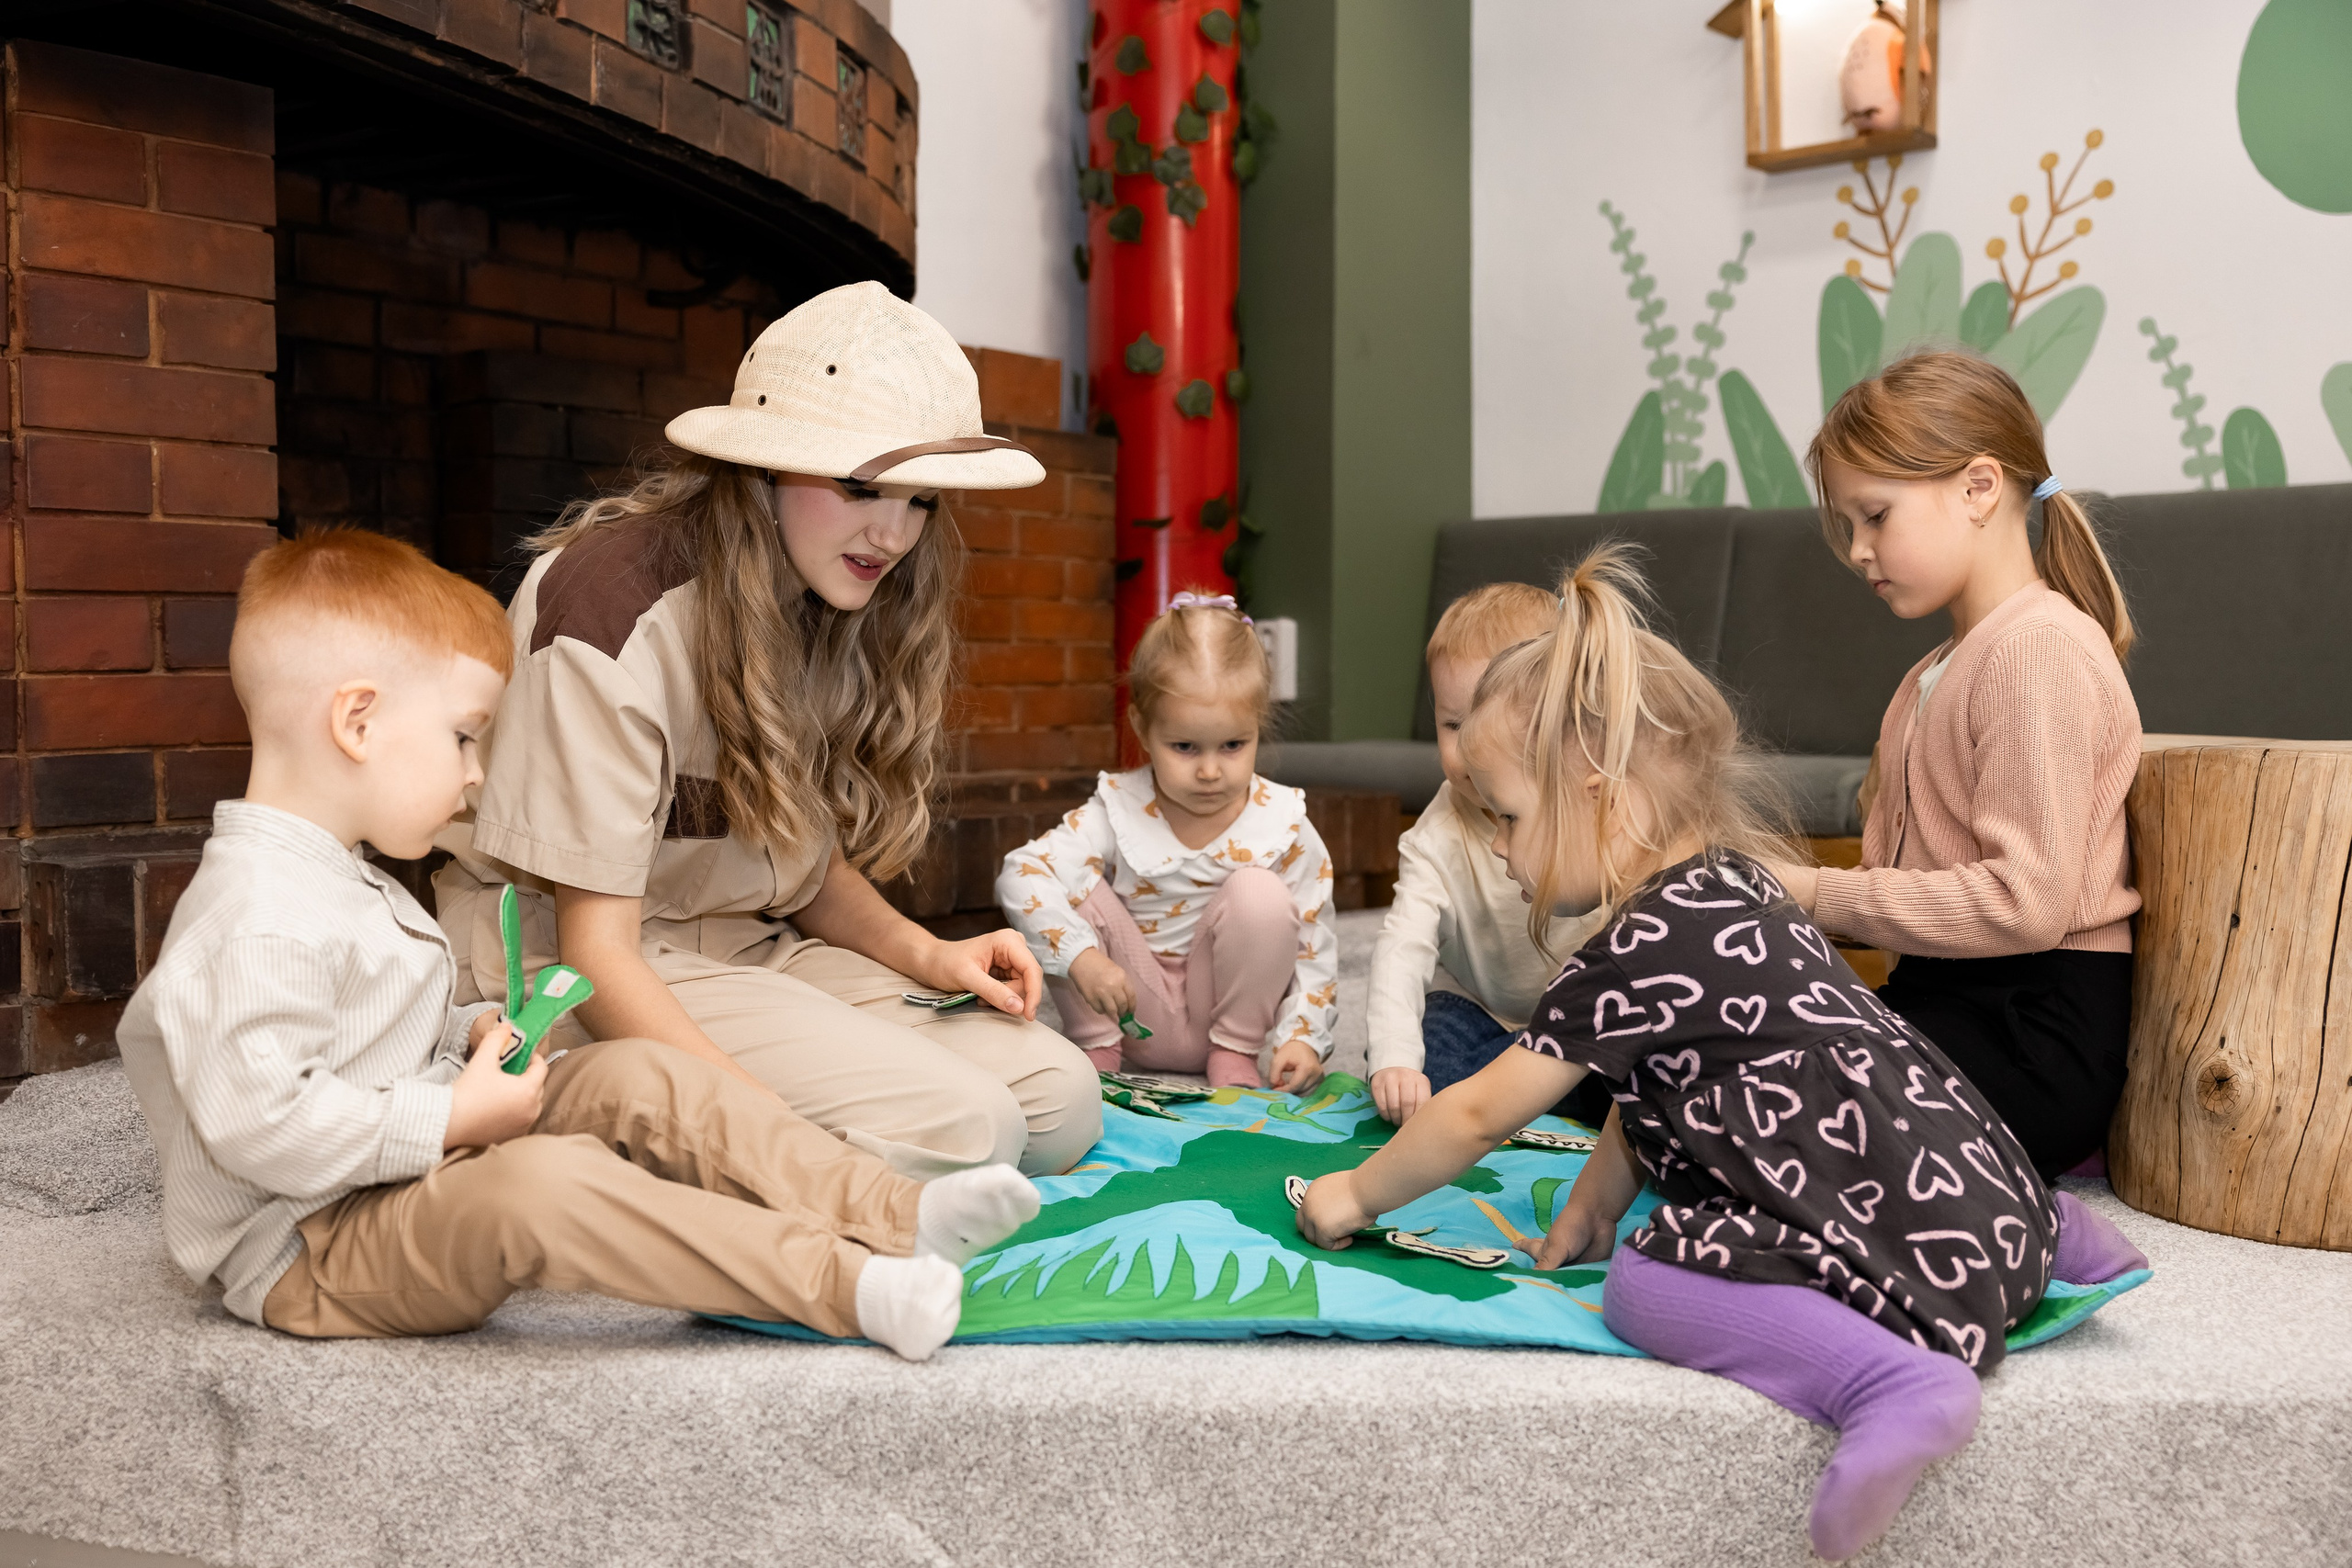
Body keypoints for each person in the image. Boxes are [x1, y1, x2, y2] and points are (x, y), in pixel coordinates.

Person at [1294, 545, 2148, 1561]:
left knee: (1645, 1286)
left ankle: (1885, 1380)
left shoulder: (1628, 951)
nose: (1503, 852)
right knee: (1886, 1098)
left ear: (1595, 788)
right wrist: (1594, 1201)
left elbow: (1474, 1112)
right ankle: (2052, 1232)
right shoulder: (1739, 884)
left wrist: (1352, 1195)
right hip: (1989, 1197)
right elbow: (1647, 1084)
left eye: (1510, 819)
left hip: (1919, 1266)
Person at [117, 532, 1042, 1359]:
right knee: (544, 1185)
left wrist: (474, 1041)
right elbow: (265, 1126)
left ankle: (895, 1212)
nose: (477, 773)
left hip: (411, 1167)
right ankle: (849, 1288)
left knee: (641, 1075)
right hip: (317, 1247)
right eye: (463, 738)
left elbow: (366, 1040)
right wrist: (448, 1121)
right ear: (356, 723)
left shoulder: (337, 877)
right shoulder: (255, 918)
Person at [433, 282, 1099, 1181]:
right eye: (864, 487)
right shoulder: (611, 613)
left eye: (921, 501)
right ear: (764, 467)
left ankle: (708, 1136)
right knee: (971, 1130)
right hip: (583, 973)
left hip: (744, 948)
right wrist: (754, 1118)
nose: (894, 534)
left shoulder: (824, 586)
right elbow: (596, 951)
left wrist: (929, 954)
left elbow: (801, 863)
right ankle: (560, 1099)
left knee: (1060, 1102)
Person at [1763, 352, 2142, 1179]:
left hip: (2033, 1029)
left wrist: (1818, 892)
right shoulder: (1938, 668)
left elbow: (2028, 901)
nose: (1860, 550)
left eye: (1875, 516)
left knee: (1762, 1108)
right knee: (1724, 1061)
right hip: (1955, 1000)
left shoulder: (2034, 650)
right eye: (1849, 525)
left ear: (1978, 488)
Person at [996, 592, 1336, 1093]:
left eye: (1233, 745)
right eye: (1184, 747)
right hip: (1124, 1008)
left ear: (1259, 727)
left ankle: (1233, 1052)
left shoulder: (1281, 823)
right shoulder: (1117, 809)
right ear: (1142, 727)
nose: (1210, 770)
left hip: (1223, 1018)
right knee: (1074, 883)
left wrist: (1304, 1037)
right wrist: (1080, 957)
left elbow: (1314, 942)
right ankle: (1096, 1047)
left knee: (1261, 895)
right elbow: (1020, 873)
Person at [1366, 583, 1607, 1126]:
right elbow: (1402, 947)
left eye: (1487, 724)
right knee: (1424, 1059)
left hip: (1580, 1019)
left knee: (1637, 1071)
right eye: (1453, 725)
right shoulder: (1436, 835)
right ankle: (1519, 1095)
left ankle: (1523, 1095)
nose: (1470, 751)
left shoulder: (1595, 809)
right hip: (1482, 1015)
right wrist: (1394, 1059)